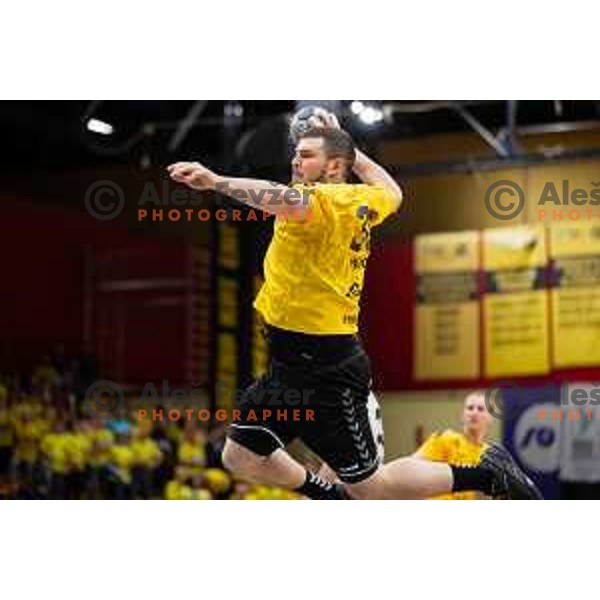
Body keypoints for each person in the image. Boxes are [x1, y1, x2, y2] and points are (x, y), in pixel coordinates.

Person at [168, 117, 540, 501]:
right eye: (296, 154)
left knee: (371, 488)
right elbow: (392, 191)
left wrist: (215, 181)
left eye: (307, 155)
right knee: (240, 456)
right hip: (287, 366)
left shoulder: (320, 202)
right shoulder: (362, 199)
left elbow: (275, 196)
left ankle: (485, 475)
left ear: (332, 167)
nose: (296, 162)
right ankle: (326, 495)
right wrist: (353, 152)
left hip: (328, 371)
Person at [414, 390, 495, 500]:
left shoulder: (490, 455)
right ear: (462, 415)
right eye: (470, 408)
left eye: (480, 409)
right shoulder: (445, 438)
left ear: (490, 418)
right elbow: (412, 467)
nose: (474, 413)